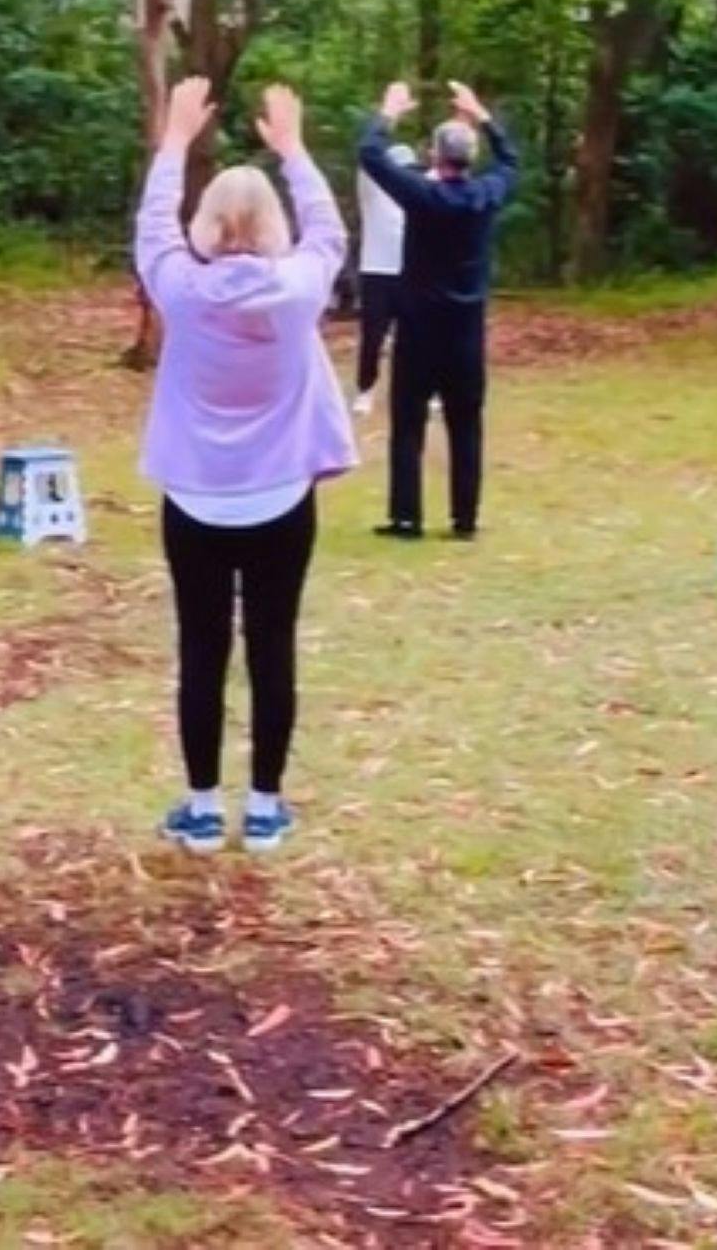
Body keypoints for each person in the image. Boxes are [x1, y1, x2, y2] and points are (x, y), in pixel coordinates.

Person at [136, 76, 355, 855]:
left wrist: (174, 141)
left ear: (207, 222)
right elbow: (329, 234)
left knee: (201, 649)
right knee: (272, 646)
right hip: (279, 499)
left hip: (196, 500)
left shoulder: (182, 289)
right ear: (269, 225)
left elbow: (153, 229)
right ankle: (263, 807)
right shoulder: (295, 289)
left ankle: (201, 807)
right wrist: (294, 150)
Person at [358, 81, 518, 541]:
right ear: (468, 159)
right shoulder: (485, 195)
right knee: (466, 424)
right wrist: (482, 115)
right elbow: (511, 162)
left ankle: (406, 517)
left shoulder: (420, 195)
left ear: (433, 156)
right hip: (465, 333)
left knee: (407, 425)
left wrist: (388, 112)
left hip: (418, 331)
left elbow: (371, 155)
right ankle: (464, 519)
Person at [351, 143, 418, 418]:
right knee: (372, 336)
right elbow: (368, 154)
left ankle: (424, 390)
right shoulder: (372, 191)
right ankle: (365, 389)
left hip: (412, 272)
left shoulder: (417, 194)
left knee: (419, 336)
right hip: (377, 271)